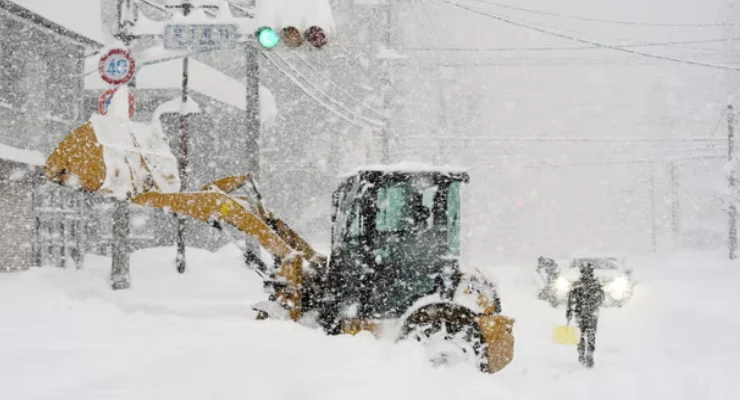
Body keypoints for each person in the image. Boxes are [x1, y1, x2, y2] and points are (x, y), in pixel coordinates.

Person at [565, 261, 605, 368]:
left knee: (580, 335)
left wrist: (569, 312)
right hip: (591, 313)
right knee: (590, 335)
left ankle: (582, 353)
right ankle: (589, 353)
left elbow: (570, 300)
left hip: (581, 313)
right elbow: (601, 298)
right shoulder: (595, 285)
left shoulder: (577, 285)